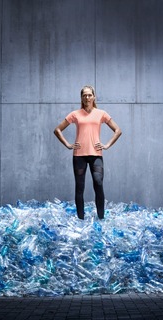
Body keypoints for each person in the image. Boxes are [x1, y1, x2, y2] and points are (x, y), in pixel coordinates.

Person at [54, 85, 122, 220]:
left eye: (89, 95)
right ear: (81, 98)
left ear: (94, 97)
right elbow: (57, 130)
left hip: (96, 154)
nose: (87, 97)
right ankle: (81, 219)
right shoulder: (75, 114)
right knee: (79, 187)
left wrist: (107, 145)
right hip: (79, 156)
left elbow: (118, 130)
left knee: (98, 183)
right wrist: (68, 144)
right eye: (84, 95)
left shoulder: (101, 113)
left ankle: (101, 219)